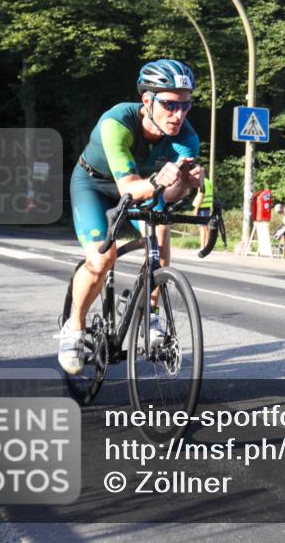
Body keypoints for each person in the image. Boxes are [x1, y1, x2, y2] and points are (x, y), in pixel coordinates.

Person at [59, 59, 204, 375]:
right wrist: (157, 182)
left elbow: (167, 197)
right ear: (147, 100)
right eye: (169, 104)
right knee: (101, 258)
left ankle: (151, 316)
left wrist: (186, 185)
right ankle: (75, 327)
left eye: (186, 105)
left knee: (160, 243)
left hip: (143, 187)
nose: (178, 114)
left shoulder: (186, 139)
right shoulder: (117, 122)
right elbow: (128, 187)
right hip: (94, 185)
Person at [192, 175, 214, 248]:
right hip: (207, 207)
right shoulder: (208, 181)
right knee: (206, 228)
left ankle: (202, 247)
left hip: (202, 207)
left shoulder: (201, 183)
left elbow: (201, 195)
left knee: (202, 228)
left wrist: (196, 209)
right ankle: (207, 246)